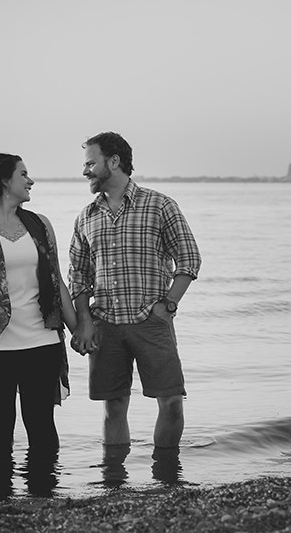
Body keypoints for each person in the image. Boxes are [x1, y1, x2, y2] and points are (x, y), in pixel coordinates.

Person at [68, 132, 201, 478]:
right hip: (106, 325)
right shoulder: (86, 217)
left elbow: (189, 260)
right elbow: (78, 277)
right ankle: (114, 481)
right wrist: (84, 321)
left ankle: (166, 476)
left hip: (150, 320)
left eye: (89, 163)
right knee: (113, 408)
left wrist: (167, 306)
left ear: (113, 162)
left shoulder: (159, 205)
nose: (85, 171)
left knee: (171, 402)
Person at [0, 153, 77, 495]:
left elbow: (58, 282)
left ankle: (44, 497)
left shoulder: (40, 223)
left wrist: (80, 329)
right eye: (24, 174)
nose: (31, 180)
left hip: (43, 341)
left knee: (42, 428)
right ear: (5, 180)